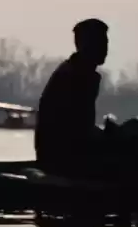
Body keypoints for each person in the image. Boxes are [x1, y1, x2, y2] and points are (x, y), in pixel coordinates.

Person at [35, 19, 108, 177]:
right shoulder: (74, 76)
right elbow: (76, 129)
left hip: (63, 154)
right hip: (62, 158)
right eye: (100, 42)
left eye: (106, 42)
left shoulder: (78, 72)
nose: (105, 48)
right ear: (84, 45)